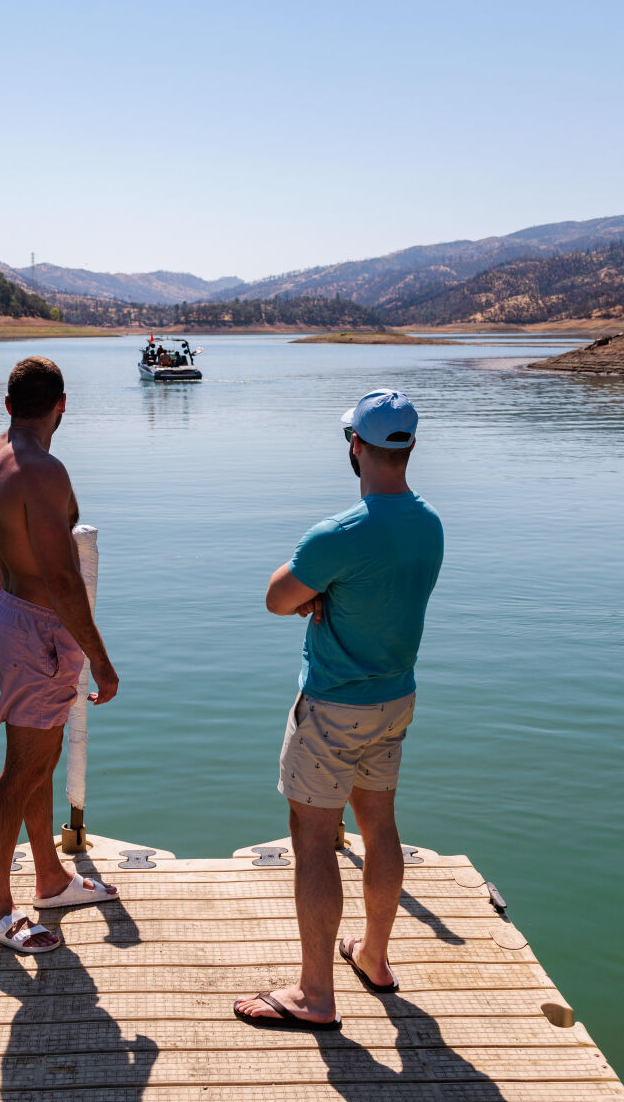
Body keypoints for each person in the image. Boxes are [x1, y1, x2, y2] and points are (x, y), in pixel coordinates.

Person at [234, 389, 444, 1030]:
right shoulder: (429, 524)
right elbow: (375, 594)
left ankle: (315, 996)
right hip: (395, 699)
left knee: (315, 842)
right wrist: (325, 592)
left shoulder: (339, 534)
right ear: (408, 446)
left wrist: (312, 592)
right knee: (379, 823)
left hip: (331, 709)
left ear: (356, 446)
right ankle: (374, 959)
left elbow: (275, 597)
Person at [0, 356, 122, 953]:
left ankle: (51, 880)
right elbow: (62, 577)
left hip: (9, 614)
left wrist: (17, 618)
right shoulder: (44, 470)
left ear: (8, 405)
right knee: (20, 773)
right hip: (39, 629)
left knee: (37, 762)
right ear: (62, 404)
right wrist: (99, 659)